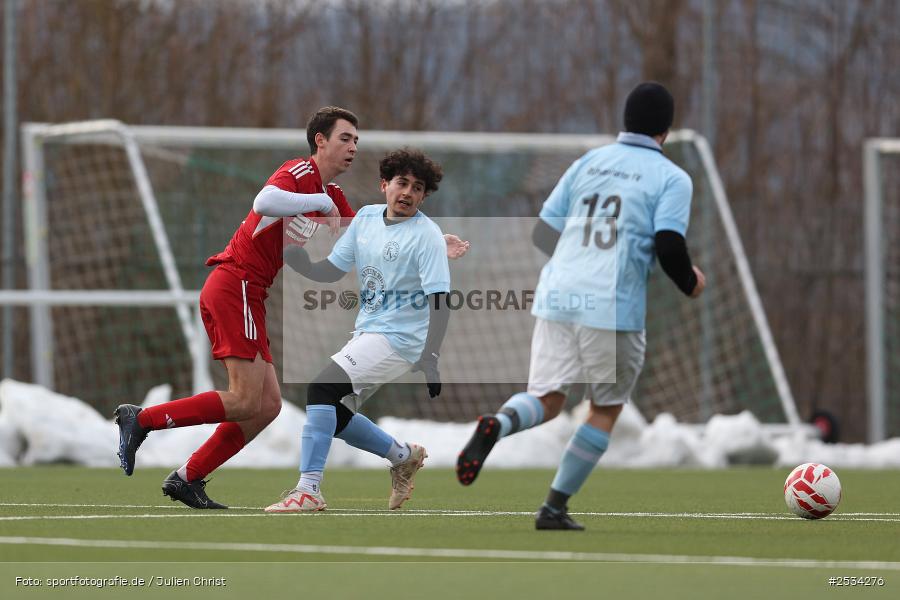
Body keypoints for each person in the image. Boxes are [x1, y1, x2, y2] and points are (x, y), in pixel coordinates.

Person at [114, 107, 469, 509]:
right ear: (320, 140)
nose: (353, 147)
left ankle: (188, 477)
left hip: (253, 293)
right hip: (236, 282)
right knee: (248, 399)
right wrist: (317, 200)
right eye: (345, 138)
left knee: (266, 407)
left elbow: (377, 236)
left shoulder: (334, 197)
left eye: (356, 141)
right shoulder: (301, 175)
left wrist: (436, 242)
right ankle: (142, 420)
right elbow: (265, 199)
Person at [455, 82, 706, 530]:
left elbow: (543, 234)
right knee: (605, 408)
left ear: (625, 122)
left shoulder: (590, 161)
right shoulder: (671, 177)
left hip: (558, 294)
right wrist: (690, 282)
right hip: (611, 303)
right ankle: (553, 508)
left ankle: (497, 422)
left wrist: (578, 258)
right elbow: (669, 246)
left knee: (546, 398)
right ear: (665, 130)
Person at [264, 149, 450, 513]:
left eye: (417, 187)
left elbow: (440, 299)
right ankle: (402, 456)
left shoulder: (427, 235)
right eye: (401, 183)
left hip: (401, 340)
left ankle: (309, 490)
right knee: (332, 412)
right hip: (368, 332)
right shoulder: (365, 218)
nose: (408, 193)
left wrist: (431, 355)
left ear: (425, 195)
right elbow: (333, 270)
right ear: (384, 185)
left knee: (321, 387)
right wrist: (303, 265)